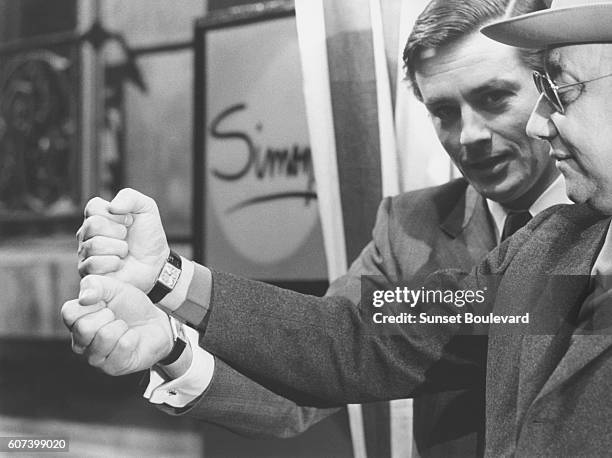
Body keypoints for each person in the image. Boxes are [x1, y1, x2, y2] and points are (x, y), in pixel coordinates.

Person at [63, 0, 612, 456]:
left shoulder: (567, 231)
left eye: (560, 91)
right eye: (444, 111)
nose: (470, 136)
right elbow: (343, 350)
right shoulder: (525, 246)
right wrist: (167, 290)